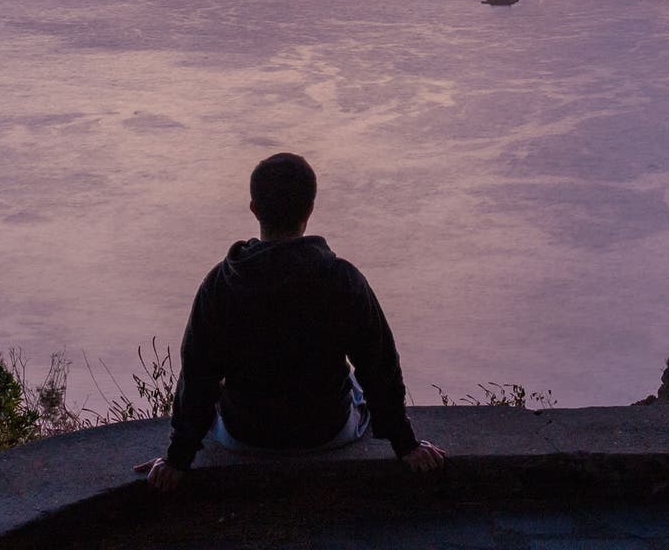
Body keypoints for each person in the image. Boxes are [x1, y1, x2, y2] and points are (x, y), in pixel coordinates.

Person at [135, 152, 445, 491]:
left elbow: (197, 374)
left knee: (217, 390)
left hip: (244, 436)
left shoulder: (221, 284)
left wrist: (177, 458)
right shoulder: (343, 279)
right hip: (326, 433)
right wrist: (406, 445)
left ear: (253, 208)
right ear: (310, 210)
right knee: (358, 383)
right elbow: (379, 366)